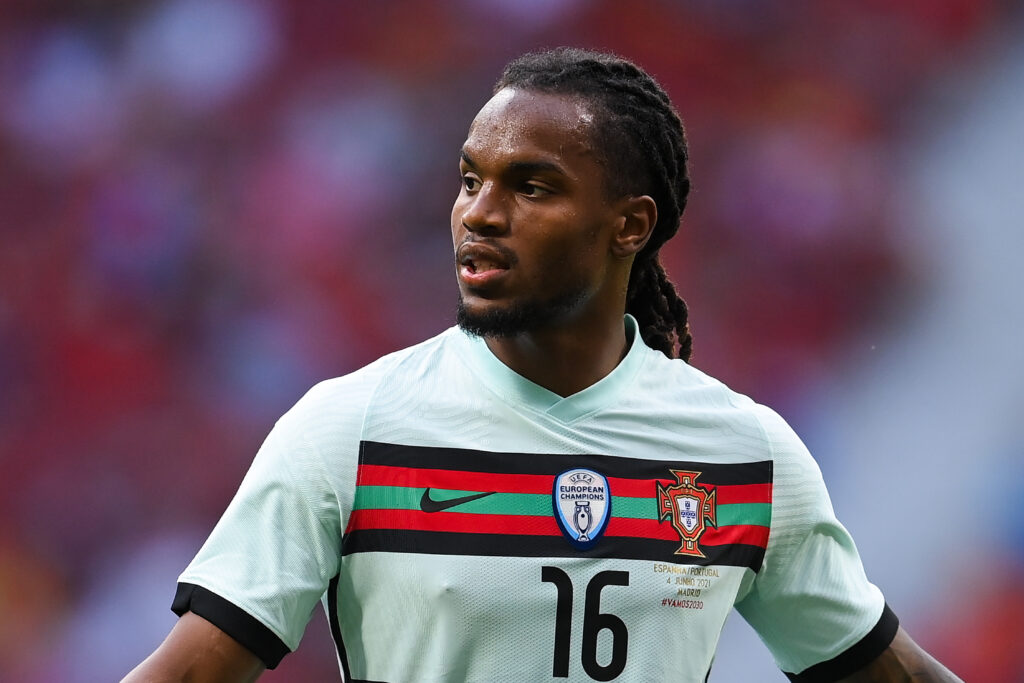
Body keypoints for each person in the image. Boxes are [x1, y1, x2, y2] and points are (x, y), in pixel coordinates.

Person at [125, 48, 961, 683]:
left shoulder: (743, 456)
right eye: (470, 180)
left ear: (630, 225)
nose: (479, 214)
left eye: (531, 186)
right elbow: (192, 671)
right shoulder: (350, 430)